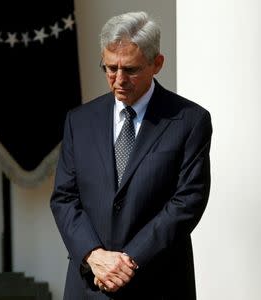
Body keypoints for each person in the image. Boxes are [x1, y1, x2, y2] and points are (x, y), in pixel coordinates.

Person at [50, 11, 212, 300]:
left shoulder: (189, 120)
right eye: (110, 68)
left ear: (157, 64)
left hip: (160, 283)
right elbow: (64, 198)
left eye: (131, 70)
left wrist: (129, 260)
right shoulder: (79, 121)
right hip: (90, 284)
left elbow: (187, 201)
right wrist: (93, 255)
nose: (119, 80)